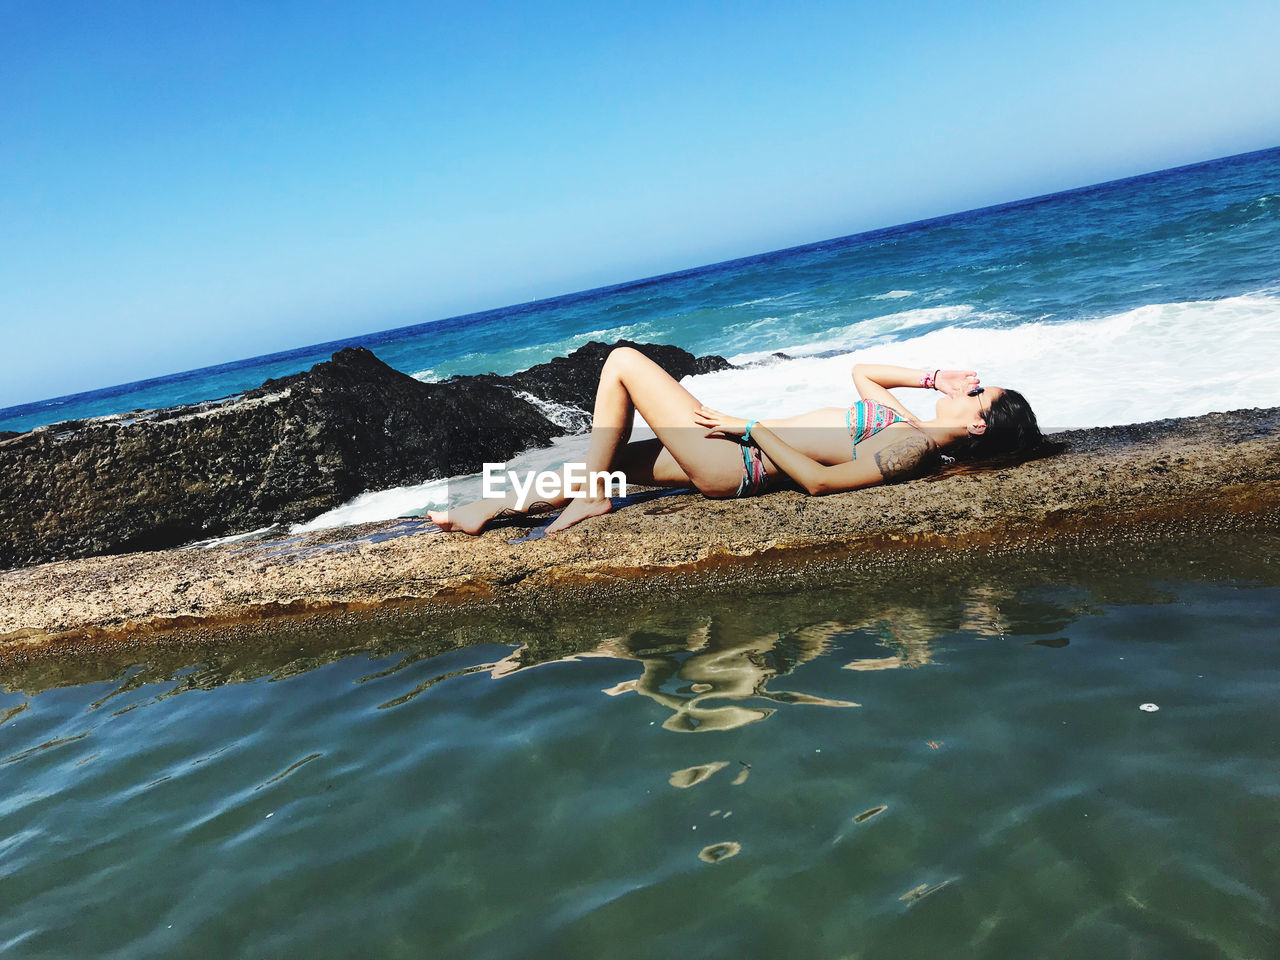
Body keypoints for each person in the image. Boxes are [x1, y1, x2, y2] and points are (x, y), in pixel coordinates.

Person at [428, 345, 1044, 535]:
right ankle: (496, 507)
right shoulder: (907, 423)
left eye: (976, 394)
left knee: (621, 362)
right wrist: (936, 376)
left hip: (739, 460)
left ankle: (589, 498)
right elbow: (864, 374)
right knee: (616, 459)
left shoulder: (913, 449)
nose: (968, 386)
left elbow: (821, 482)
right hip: (733, 449)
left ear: (976, 424)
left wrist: (749, 429)